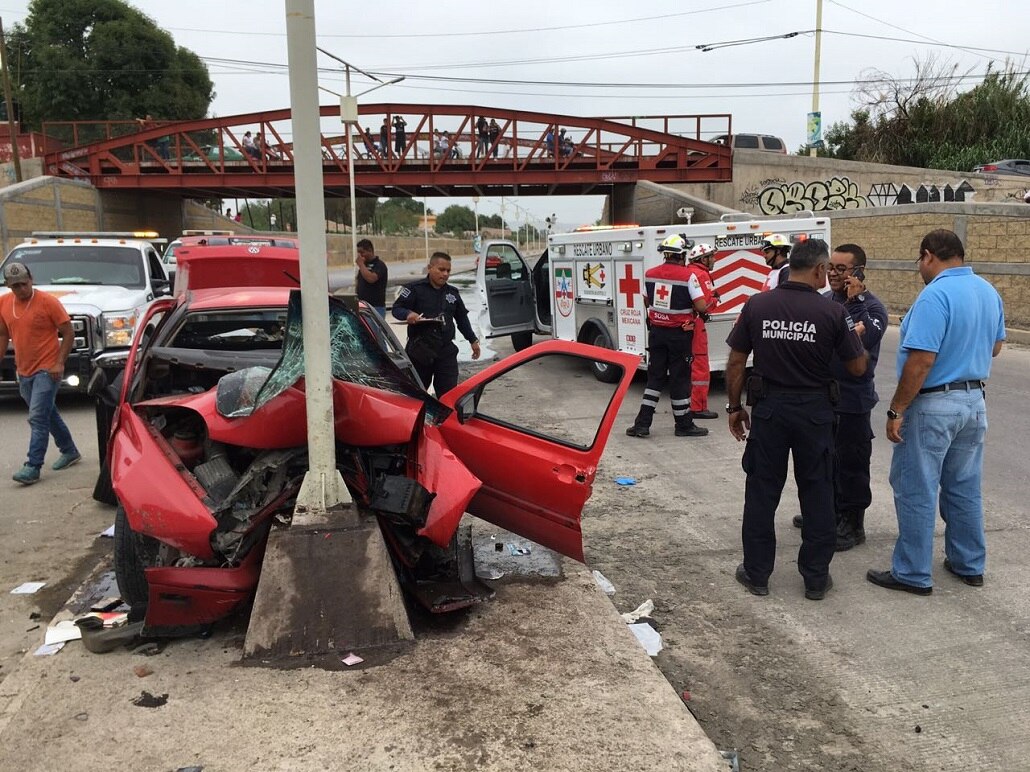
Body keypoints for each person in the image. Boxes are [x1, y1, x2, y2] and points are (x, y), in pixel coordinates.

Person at [725, 238, 867, 601]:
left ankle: (757, 574)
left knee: (761, 493)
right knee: (818, 493)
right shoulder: (833, 313)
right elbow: (857, 366)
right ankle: (815, 578)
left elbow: (737, 361)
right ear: (819, 270)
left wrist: (734, 408)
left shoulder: (757, 304)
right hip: (815, 414)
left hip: (770, 411)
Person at [867, 229, 1005, 595]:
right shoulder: (988, 292)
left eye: (919, 262)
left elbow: (921, 361)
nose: (920, 269)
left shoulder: (935, 296)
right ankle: (968, 564)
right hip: (974, 402)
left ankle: (912, 573)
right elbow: (995, 348)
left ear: (929, 255)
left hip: (934, 405)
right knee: (964, 486)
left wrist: (897, 409)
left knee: (916, 488)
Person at [793, 244, 887, 550]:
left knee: (852, 464)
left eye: (841, 269)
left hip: (853, 401)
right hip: (823, 398)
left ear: (858, 272)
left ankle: (852, 523)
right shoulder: (823, 301)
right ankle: (828, 513)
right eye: (830, 267)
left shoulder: (872, 309)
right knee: (824, 461)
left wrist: (855, 301)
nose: (833, 273)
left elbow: (865, 338)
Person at [0, 262, 82, 485]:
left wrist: (59, 363)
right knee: (47, 412)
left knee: (37, 417)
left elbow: (68, 333)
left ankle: (33, 466)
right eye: (15, 286)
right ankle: (69, 450)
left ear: (31, 279)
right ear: (8, 285)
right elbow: (2, 334)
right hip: (23, 370)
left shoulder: (48, 302)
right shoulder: (4, 303)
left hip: (47, 369)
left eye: (24, 284)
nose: (20, 289)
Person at [625, 234, 709, 440]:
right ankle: (683, 425)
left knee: (654, 379)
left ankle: (642, 424)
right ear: (682, 255)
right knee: (679, 379)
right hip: (679, 336)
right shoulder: (689, 276)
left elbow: (646, 300)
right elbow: (700, 306)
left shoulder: (650, 274)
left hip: (657, 334)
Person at [392, 252, 481, 396]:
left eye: (448, 271)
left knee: (449, 395)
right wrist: (408, 314)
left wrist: (473, 340)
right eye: (441, 269)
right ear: (430, 268)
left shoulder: (453, 293)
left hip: (445, 352)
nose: (445, 274)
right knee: (416, 395)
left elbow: (462, 320)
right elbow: (397, 308)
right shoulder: (415, 289)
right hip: (420, 351)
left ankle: (444, 419)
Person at [684, 242, 721, 421]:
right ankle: (697, 407)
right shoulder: (701, 274)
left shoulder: (689, 272)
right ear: (703, 259)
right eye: (711, 256)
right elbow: (705, 305)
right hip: (696, 324)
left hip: (686, 324)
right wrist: (715, 299)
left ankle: (690, 403)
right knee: (700, 367)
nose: (714, 259)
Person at [354, 238, 388, 317]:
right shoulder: (364, 266)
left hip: (376, 307)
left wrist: (361, 265)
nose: (360, 255)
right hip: (362, 306)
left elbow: (371, 279)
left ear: (370, 250)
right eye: (358, 253)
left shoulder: (379, 265)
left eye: (362, 252)